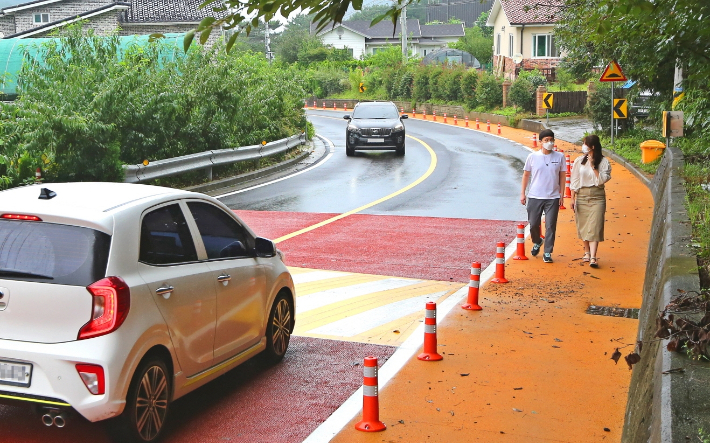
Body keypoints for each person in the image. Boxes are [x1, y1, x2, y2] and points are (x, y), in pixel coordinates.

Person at [520, 129, 566, 263]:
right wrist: (523, 193)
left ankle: (547, 252)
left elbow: (562, 176)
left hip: (552, 197)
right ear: (540, 142)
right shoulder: (532, 157)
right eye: (546, 140)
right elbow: (526, 175)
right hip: (535, 196)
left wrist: (562, 194)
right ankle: (538, 241)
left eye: (551, 140)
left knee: (551, 225)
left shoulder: (559, 157)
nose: (549, 143)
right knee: (533, 224)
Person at [570, 135, 612, 269]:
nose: (583, 146)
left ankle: (593, 257)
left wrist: (594, 167)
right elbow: (575, 180)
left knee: (595, 226)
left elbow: (602, 181)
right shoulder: (579, 161)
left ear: (592, 146)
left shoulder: (604, 162)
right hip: (582, 195)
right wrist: (572, 198)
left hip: (597, 196)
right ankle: (586, 252)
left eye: (585, 144)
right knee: (583, 225)